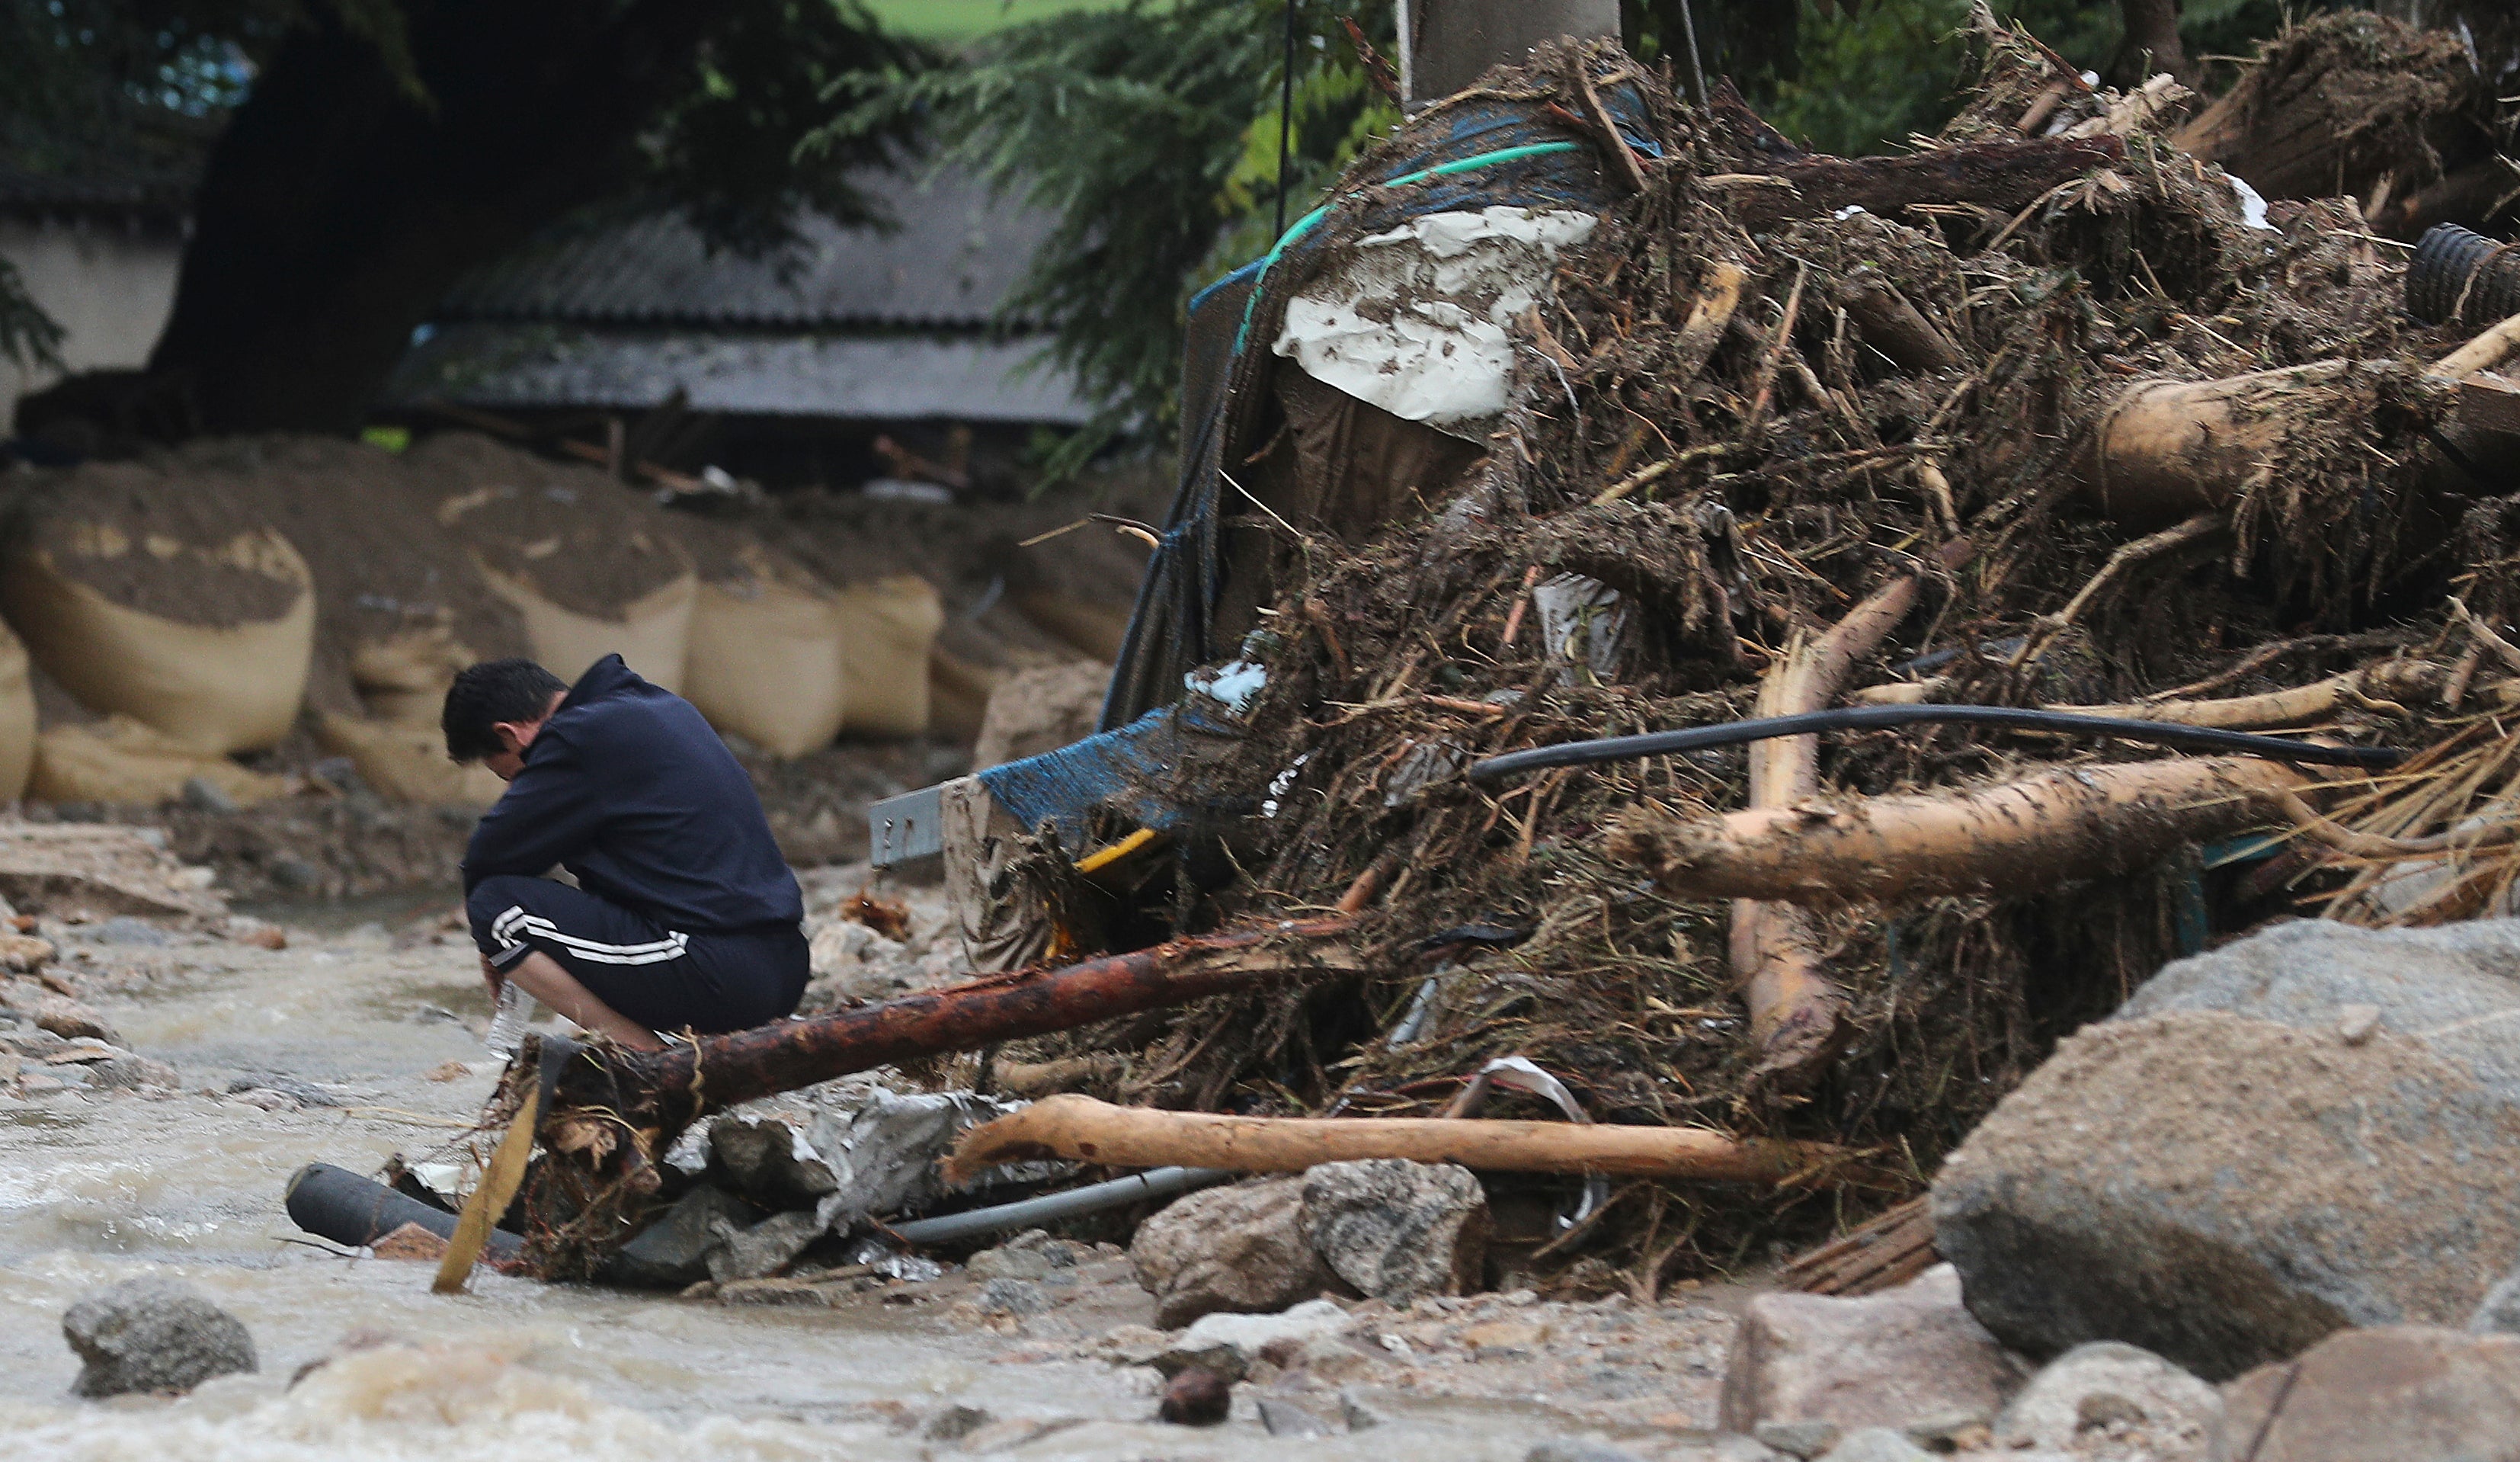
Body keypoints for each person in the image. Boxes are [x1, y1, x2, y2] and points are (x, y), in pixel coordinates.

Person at [442, 654, 807, 1050]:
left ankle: (649, 1062)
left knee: (496, 910)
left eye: (511, 777)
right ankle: (660, 1049)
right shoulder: (658, 707)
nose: (518, 791)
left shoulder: (576, 738)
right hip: (784, 966)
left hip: (717, 971)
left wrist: (488, 946)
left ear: (512, 735)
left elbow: (488, 854)